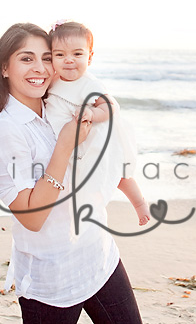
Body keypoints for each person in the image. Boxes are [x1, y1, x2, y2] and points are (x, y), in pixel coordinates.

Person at [0, 23, 143, 323]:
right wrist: (65, 145)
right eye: (26, 59)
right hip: (51, 278)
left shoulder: (59, 105)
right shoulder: (4, 131)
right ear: (4, 68)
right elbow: (32, 218)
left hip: (98, 253)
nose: (40, 68)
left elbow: (105, 119)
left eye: (46, 58)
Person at [45, 20, 151, 226]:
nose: (68, 60)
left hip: (93, 140)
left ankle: (139, 204)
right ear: (51, 56)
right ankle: (76, 212)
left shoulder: (89, 83)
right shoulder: (53, 80)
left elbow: (111, 107)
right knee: (75, 180)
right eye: (60, 55)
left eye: (77, 54)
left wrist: (92, 113)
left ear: (90, 57)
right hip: (66, 142)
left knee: (116, 174)